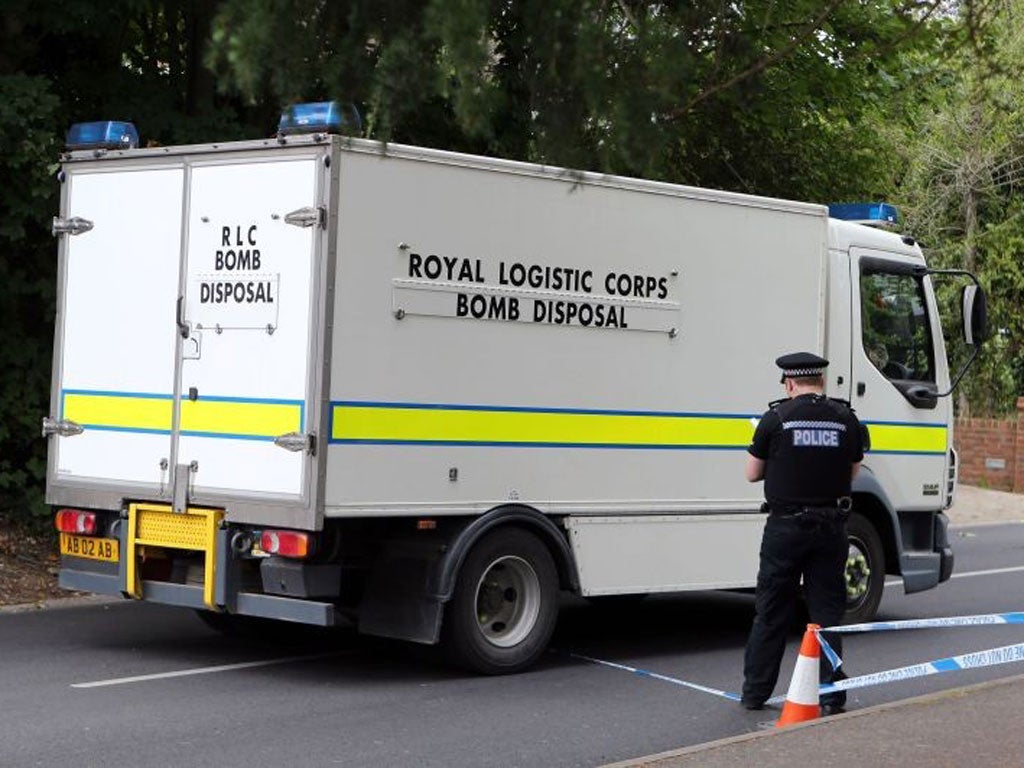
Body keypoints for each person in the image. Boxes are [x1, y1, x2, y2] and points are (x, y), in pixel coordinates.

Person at [741, 352, 867, 716]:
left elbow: (751, 473)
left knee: (771, 612)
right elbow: (853, 470)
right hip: (831, 528)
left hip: (785, 529)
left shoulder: (775, 419)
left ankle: (755, 693)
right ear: (821, 381)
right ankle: (831, 693)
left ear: (790, 383)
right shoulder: (846, 419)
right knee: (827, 613)